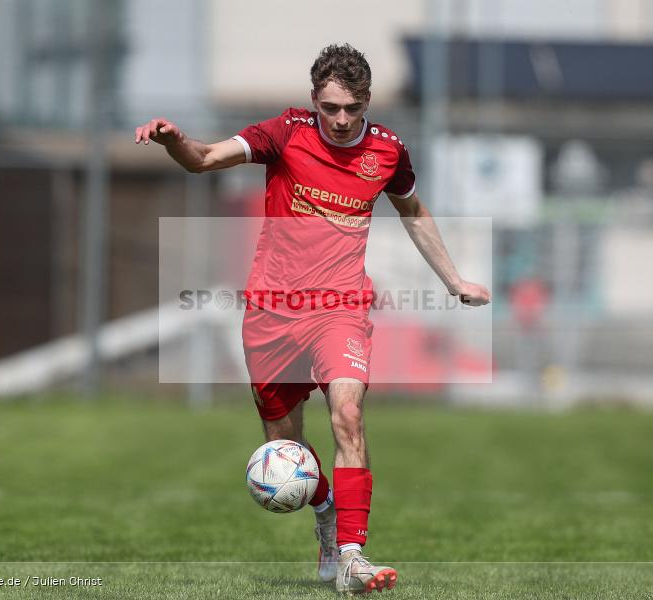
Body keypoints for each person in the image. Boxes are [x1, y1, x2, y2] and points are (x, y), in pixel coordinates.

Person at [135, 43, 490, 594]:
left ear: (368, 100)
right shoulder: (285, 132)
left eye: (353, 107)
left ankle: (352, 555)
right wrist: (173, 140)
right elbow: (203, 159)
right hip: (272, 314)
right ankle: (324, 509)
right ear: (314, 102)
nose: (342, 120)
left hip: (341, 307)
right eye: (331, 108)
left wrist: (455, 281)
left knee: (348, 415)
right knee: (288, 448)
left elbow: (413, 212)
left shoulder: (389, 151)